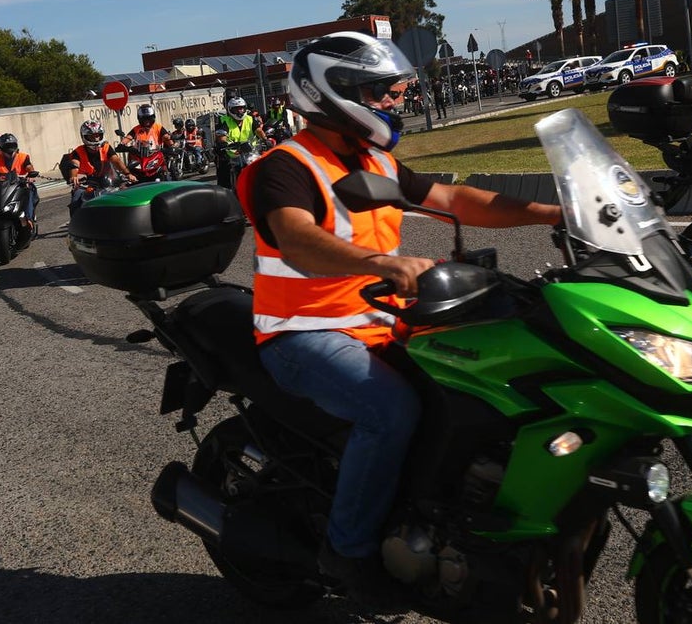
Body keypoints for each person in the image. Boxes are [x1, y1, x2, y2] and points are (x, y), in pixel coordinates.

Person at [237, 32, 561, 603]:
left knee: (489, 379)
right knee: (389, 411)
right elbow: (296, 238)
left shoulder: (376, 159)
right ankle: (349, 551)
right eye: (379, 91)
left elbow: (455, 200)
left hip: (381, 321)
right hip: (303, 332)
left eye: (393, 90)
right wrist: (380, 262)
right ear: (332, 93)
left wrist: (554, 212)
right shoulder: (284, 167)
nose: (393, 100)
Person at [67, 121, 137, 217]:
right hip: (85, 184)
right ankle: (76, 224)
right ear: (84, 136)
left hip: (106, 182)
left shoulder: (106, 147)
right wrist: (74, 176)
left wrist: (128, 174)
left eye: (98, 135)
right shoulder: (78, 151)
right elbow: (74, 165)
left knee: (126, 195)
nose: (96, 139)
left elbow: (116, 160)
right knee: (76, 200)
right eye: (92, 136)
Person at [0, 133, 38, 226]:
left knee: (30, 191)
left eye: (12, 145)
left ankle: (28, 218)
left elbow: (29, 167)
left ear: (16, 146)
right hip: (2, 186)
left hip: (20, 185)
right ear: (1, 147)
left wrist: (31, 175)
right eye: (7, 146)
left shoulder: (23, 157)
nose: (9, 149)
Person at [214, 96, 267, 189]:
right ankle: (227, 192)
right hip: (232, 154)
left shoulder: (250, 119)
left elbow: (258, 130)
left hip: (250, 152)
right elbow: (221, 136)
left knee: (263, 167)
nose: (240, 111)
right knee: (225, 173)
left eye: (242, 108)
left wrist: (265, 139)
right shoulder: (225, 120)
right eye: (237, 109)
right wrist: (224, 143)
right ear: (230, 110)